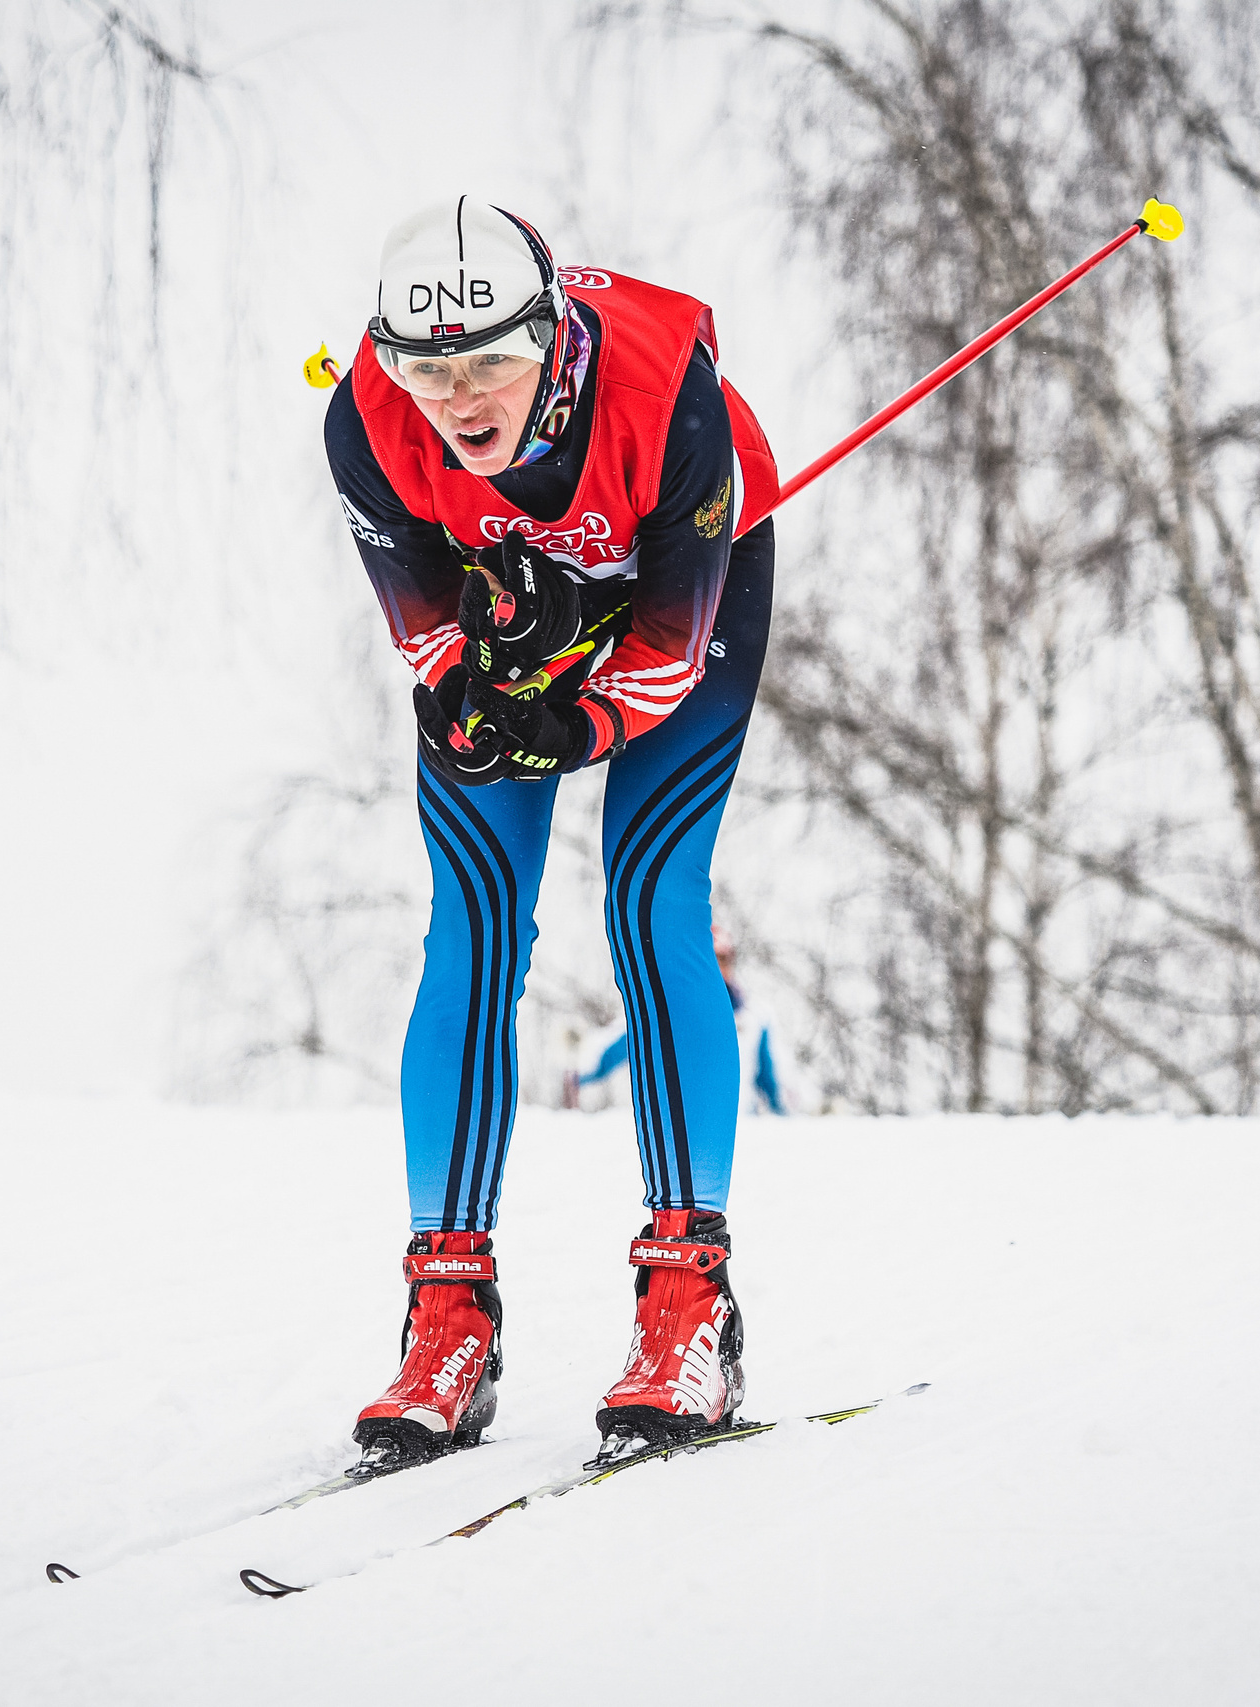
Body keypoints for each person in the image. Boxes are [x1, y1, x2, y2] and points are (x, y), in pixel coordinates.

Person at [324, 196, 779, 1465]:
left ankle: (689, 1306)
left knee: (649, 900)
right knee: (469, 925)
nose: (457, 398)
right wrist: (483, 689)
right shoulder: (367, 422)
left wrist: (571, 727)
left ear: (552, 344)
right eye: (427, 368)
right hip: (507, 600)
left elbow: (665, 659)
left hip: (689, 579)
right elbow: (425, 639)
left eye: (487, 364)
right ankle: (446, 1320)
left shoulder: (665, 395)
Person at [578, 922, 786, 1118]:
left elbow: (766, 1076)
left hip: (740, 1124)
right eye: (711, 959)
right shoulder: (671, 1012)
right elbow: (628, 1043)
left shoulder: (753, 1017)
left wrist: (784, 1117)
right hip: (689, 1126)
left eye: (723, 959)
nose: (718, 968)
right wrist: (581, 1077)